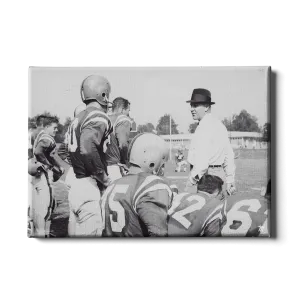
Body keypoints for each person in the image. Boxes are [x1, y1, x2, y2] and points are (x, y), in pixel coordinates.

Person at [101, 133, 173, 237]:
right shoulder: (150, 184)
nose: (162, 170)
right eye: (161, 165)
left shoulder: (112, 185)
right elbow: (158, 232)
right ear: (152, 160)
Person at [67, 75, 113, 237]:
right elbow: (87, 148)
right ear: (103, 94)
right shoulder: (98, 116)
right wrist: (104, 178)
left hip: (76, 186)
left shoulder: (78, 117)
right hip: (90, 188)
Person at [184, 89, 236, 197]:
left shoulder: (203, 128)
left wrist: (191, 182)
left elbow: (202, 163)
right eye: (192, 105)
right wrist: (230, 179)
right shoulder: (220, 125)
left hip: (205, 178)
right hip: (219, 175)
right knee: (217, 211)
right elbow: (228, 155)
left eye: (196, 105)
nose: (192, 109)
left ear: (207, 107)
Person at [27, 116, 65, 237]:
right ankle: (42, 234)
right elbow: (38, 152)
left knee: (38, 206)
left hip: (35, 174)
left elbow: (50, 155)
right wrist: (49, 166)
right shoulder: (46, 138)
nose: (56, 130)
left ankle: (37, 232)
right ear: (47, 126)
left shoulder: (38, 135)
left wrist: (58, 166)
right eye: (54, 128)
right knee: (47, 208)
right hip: (43, 175)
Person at [105, 97, 133, 181]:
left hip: (99, 167)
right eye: (128, 110)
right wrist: (125, 162)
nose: (128, 114)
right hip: (114, 167)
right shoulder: (122, 119)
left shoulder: (103, 117)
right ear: (122, 109)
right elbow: (123, 144)